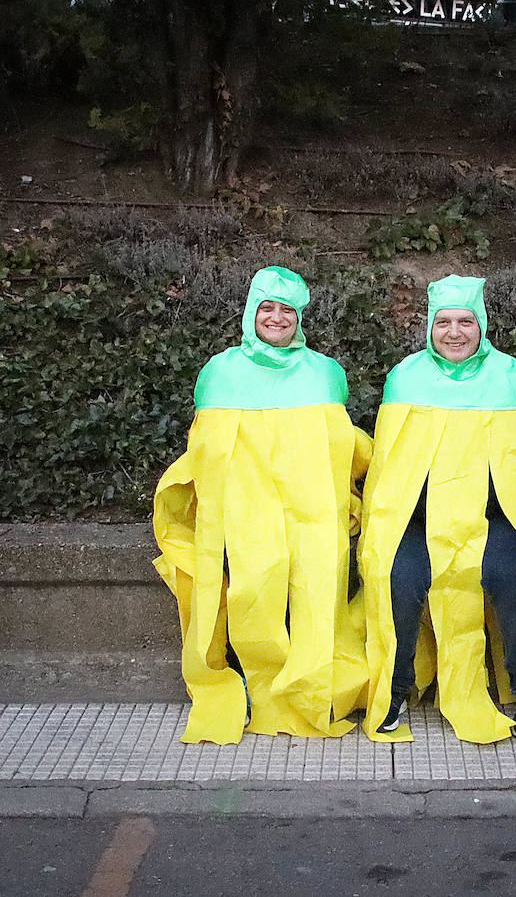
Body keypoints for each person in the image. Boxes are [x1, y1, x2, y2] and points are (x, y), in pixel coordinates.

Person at [360, 275, 516, 746]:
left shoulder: (512, 378)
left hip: (494, 521)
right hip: (419, 522)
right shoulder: (405, 377)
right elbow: (392, 466)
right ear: (429, 327)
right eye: (443, 322)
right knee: (398, 579)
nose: (454, 332)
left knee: (511, 579)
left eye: (465, 321)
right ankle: (395, 690)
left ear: (481, 324)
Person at [153, 267, 372, 744]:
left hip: (313, 511)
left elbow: (341, 445)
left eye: (286, 310)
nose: (276, 318)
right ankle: (265, 693)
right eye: (267, 308)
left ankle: (316, 694)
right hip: (246, 513)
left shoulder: (325, 373)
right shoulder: (220, 371)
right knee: (253, 588)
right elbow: (206, 450)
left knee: (319, 594)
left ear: (300, 318)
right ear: (251, 312)